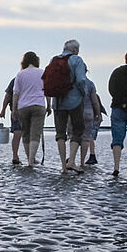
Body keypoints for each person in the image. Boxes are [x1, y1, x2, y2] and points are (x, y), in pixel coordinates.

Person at [49, 39, 87, 173]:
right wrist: (83, 94)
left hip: (58, 101)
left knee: (60, 133)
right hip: (74, 100)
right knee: (77, 129)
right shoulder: (77, 60)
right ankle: (71, 161)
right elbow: (82, 80)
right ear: (75, 50)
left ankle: (63, 166)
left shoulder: (54, 60)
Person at [11, 52, 52, 167]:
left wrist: (14, 109)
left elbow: (16, 93)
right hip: (38, 105)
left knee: (26, 134)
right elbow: (47, 91)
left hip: (23, 107)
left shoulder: (20, 74)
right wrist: (49, 106)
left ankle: (29, 159)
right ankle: (31, 160)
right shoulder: (43, 72)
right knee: (35, 134)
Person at [65, 68, 102, 168]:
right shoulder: (90, 84)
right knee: (86, 137)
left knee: (72, 135)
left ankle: (72, 159)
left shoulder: (71, 83)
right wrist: (98, 113)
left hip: (74, 111)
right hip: (88, 112)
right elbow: (95, 100)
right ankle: (82, 162)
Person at [0, 78, 23, 164]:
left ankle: (15, 156)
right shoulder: (34, 78)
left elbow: (8, 95)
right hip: (23, 109)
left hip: (16, 109)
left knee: (17, 133)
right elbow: (8, 95)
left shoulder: (16, 79)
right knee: (28, 134)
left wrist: (3, 109)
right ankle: (30, 158)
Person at [84, 94, 107, 165]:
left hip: (94, 118)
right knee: (89, 137)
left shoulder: (91, 96)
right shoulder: (93, 95)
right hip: (95, 117)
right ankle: (92, 155)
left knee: (89, 137)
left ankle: (92, 155)